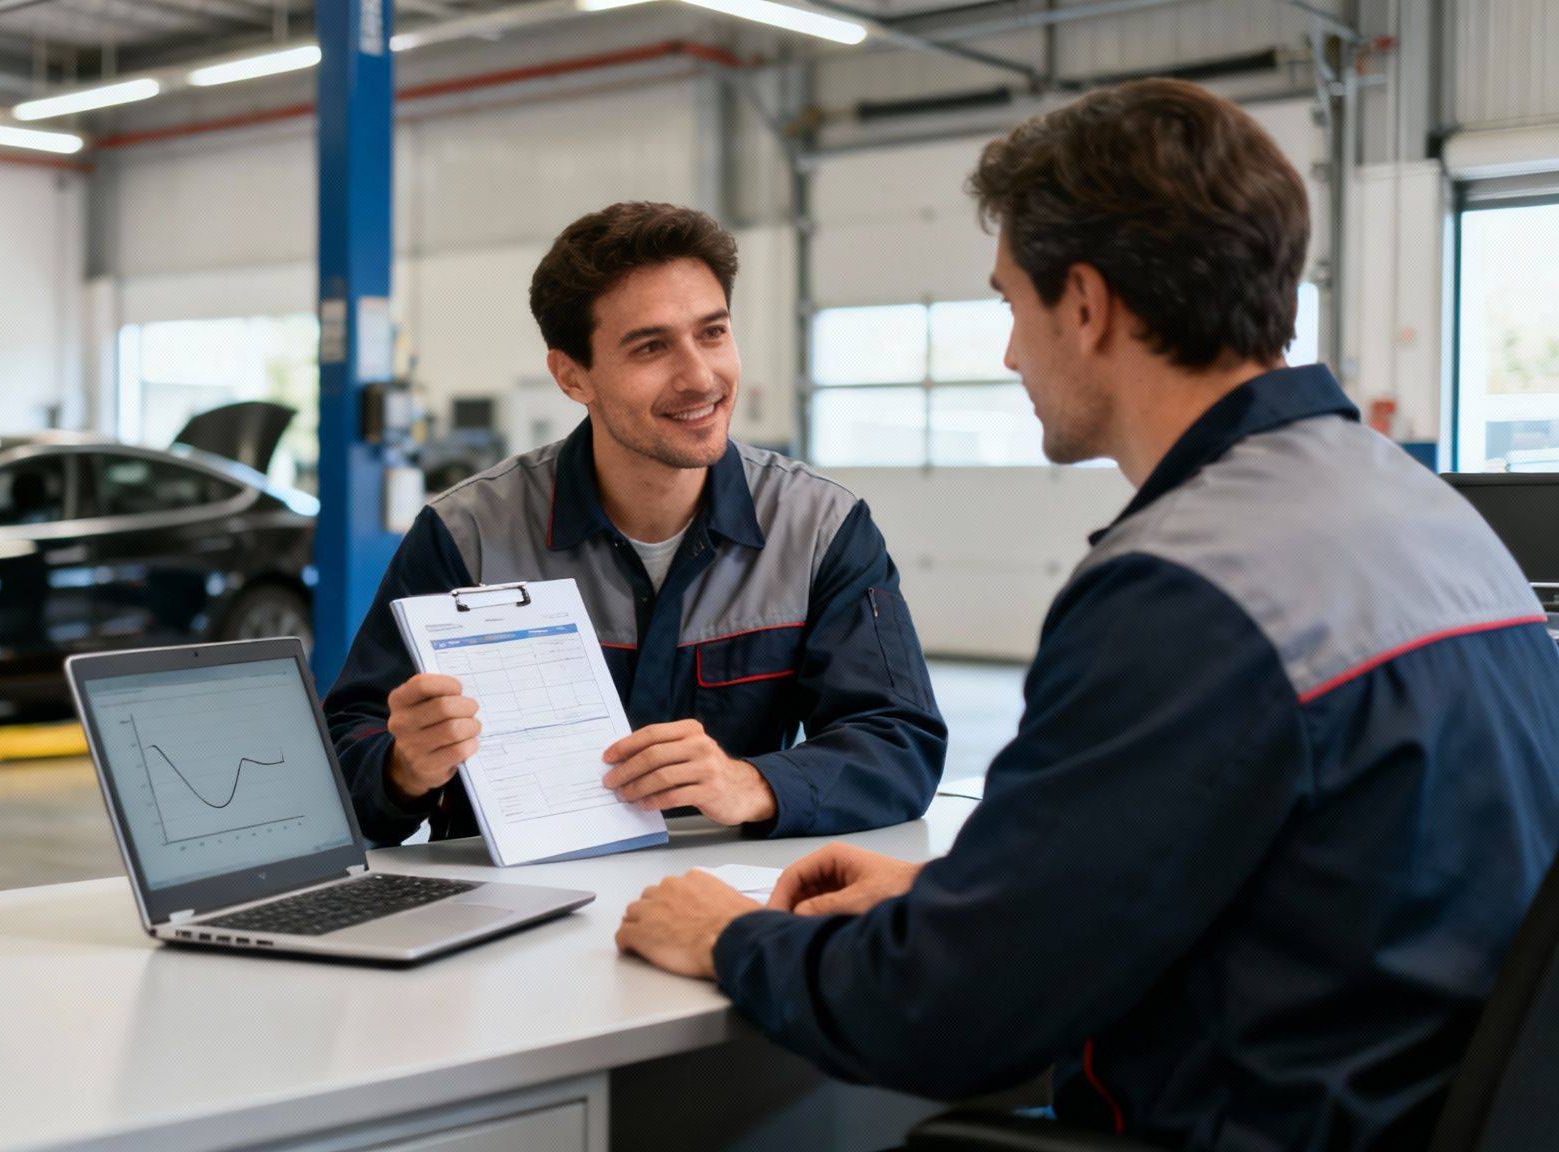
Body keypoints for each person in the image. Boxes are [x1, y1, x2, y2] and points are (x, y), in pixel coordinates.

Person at [614, 79, 1559, 1151]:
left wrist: (731, 937)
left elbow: (941, 1013)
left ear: (1087, 305)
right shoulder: (1419, 511)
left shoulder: (1191, 589)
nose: (1009, 353)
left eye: (1010, 303)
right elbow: (1299, 855)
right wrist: (962, 889)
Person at [322, 201, 947, 845]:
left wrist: (751, 784)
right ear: (572, 376)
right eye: (651, 346)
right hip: (508, 915)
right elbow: (342, 754)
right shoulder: (466, 536)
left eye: (712, 333)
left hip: (719, 906)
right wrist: (401, 769)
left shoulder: (820, 528)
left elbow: (898, 743)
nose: (700, 376)